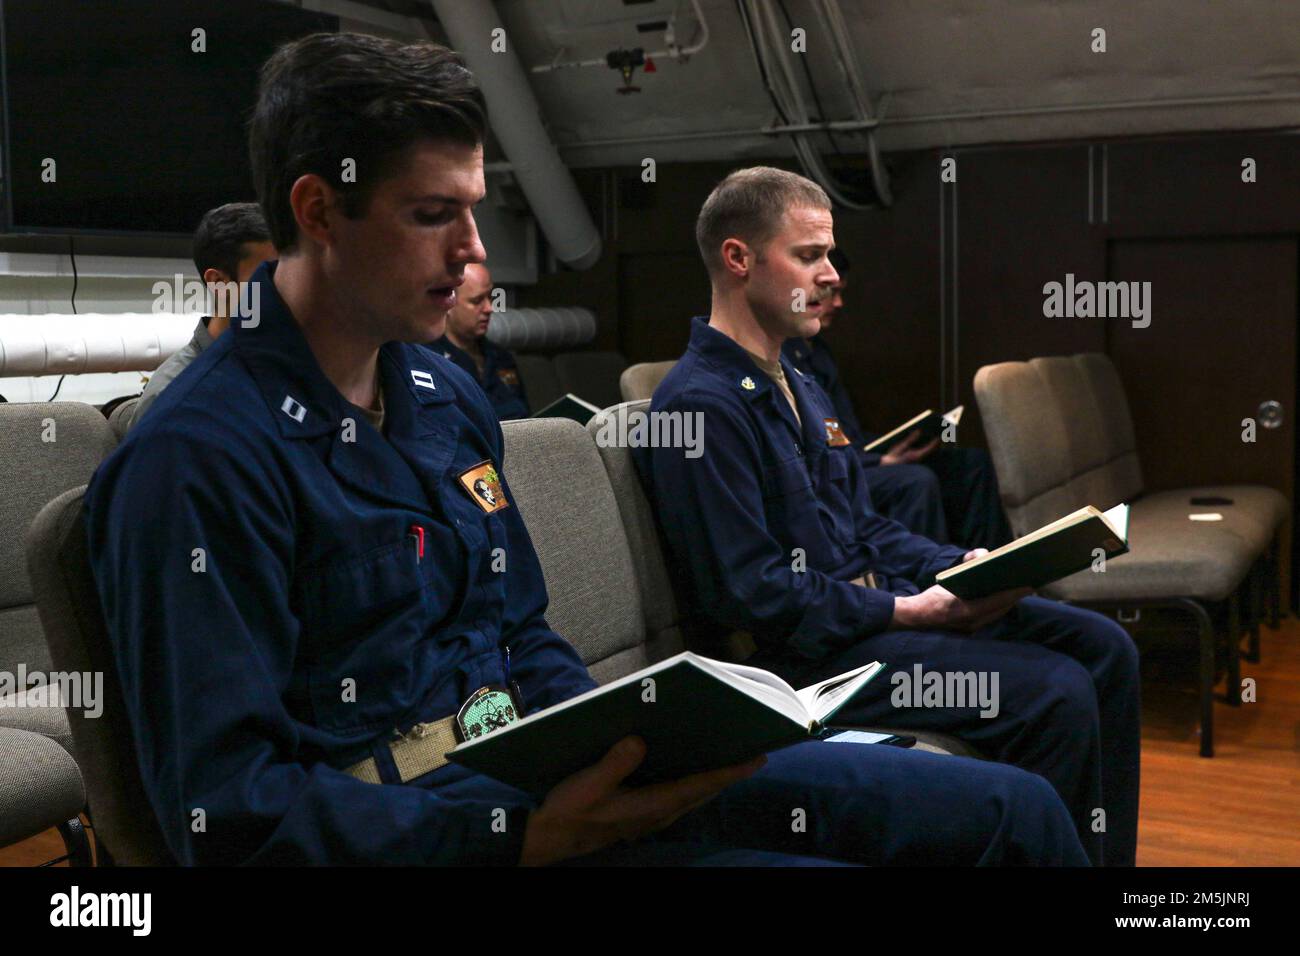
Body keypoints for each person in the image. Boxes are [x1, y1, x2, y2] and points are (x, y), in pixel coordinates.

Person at [87, 34, 1085, 867]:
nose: (474, 252)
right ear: (317, 211)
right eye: (434, 215)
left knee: (1011, 814)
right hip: (436, 834)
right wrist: (508, 835)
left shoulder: (439, 391)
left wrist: (628, 737)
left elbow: (519, 629)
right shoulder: (197, 460)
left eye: (474, 209)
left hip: (537, 774)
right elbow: (232, 815)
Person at [639, 166, 1140, 866]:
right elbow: (752, 594)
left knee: (1105, 648)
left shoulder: (802, 381)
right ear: (738, 258)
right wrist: (909, 613)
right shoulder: (699, 407)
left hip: (868, 620)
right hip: (809, 661)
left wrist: (959, 566)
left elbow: (864, 526)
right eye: (809, 256)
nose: (832, 276)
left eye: (830, 257)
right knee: (1055, 692)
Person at [782, 248, 1012, 550]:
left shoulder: (819, 353)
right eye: (831, 292)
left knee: (972, 465)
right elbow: (814, 442)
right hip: (827, 471)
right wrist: (879, 461)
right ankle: (932, 587)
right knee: (915, 481)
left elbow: (841, 430)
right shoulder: (780, 357)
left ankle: (992, 575)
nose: (839, 303)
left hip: (853, 451)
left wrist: (889, 448)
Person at [129, 202, 276, 427]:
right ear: (218, 283)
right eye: (269, 274)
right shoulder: (173, 398)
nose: (289, 289)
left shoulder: (293, 368)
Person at [435, 262, 530, 419]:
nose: (489, 308)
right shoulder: (430, 362)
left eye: (490, 297)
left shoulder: (501, 357)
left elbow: (525, 415)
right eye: (477, 301)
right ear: (449, 303)